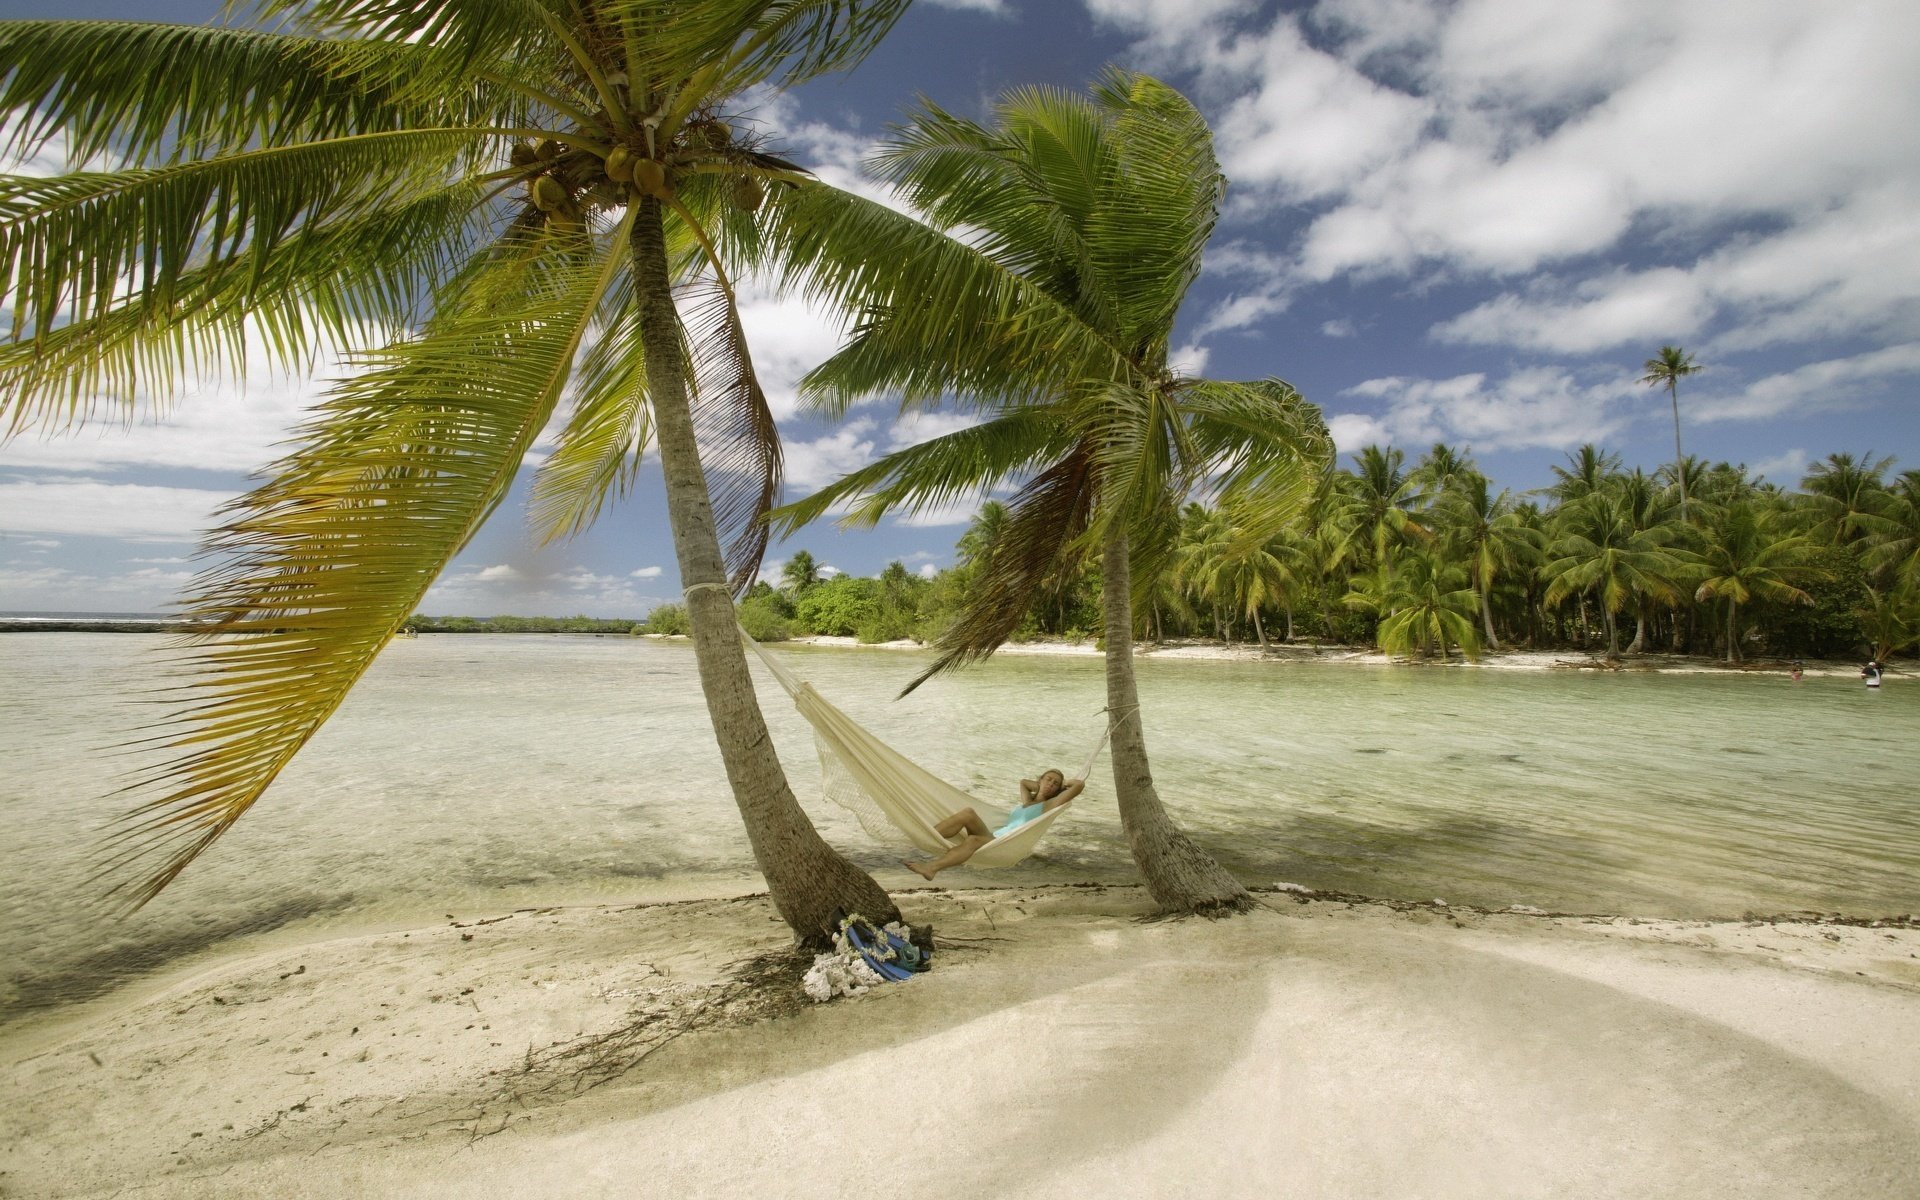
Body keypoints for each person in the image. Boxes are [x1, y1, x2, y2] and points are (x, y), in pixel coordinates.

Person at [902, 769, 1084, 881]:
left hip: (1006, 844)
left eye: (1055, 784)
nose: (1051, 784)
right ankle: (926, 835)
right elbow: (1023, 782)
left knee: (973, 840)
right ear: (1040, 780)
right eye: (1048, 779)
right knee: (968, 813)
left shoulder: (1049, 805)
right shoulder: (1027, 802)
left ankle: (931, 868)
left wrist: (1064, 784)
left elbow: (1079, 785)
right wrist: (1040, 784)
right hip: (994, 836)